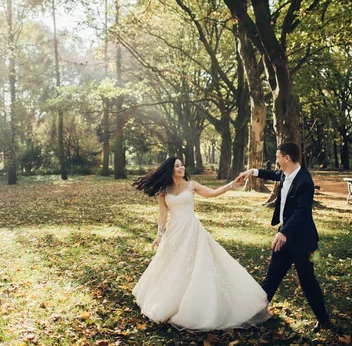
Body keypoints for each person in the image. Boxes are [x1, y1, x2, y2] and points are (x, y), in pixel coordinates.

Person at [132, 157, 270, 331]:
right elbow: (162, 214)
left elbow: (212, 193)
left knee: (197, 265)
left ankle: (196, 304)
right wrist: (159, 235)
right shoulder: (164, 191)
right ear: (170, 170)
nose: (181, 167)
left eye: (182, 164)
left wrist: (231, 184)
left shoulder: (192, 185)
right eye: (177, 166)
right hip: (174, 232)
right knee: (173, 266)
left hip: (191, 229)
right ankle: (170, 302)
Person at [236, 142, 331, 333]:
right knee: (272, 277)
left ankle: (324, 319)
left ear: (287, 158)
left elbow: (303, 212)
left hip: (304, 242)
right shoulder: (285, 174)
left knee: (308, 280)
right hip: (284, 238)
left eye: (278, 156)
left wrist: (283, 232)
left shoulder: (305, 181)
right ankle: (255, 314)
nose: (276, 160)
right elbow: (271, 174)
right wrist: (252, 171)